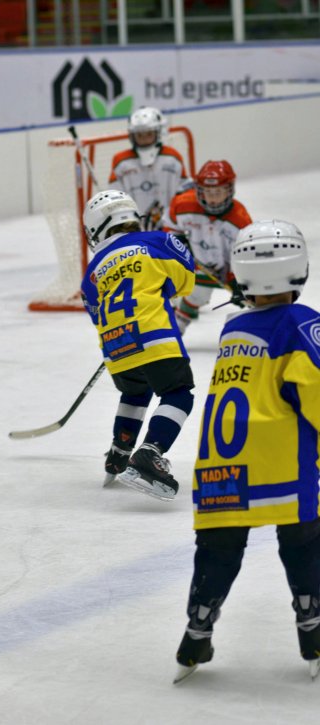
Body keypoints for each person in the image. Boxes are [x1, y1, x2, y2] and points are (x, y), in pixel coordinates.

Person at [175, 219, 320, 683]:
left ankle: (197, 629)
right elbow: (312, 390)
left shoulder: (232, 329)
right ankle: (312, 625)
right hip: (282, 462)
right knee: (304, 541)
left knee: (218, 549)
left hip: (220, 466)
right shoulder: (302, 322)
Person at [81, 189, 196, 501]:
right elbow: (186, 280)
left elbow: (96, 314)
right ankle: (150, 452)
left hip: (115, 345)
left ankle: (119, 453)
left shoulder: (91, 272)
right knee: (178, 394)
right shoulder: (156, 241)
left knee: (135, 392)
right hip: (155, 335)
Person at [163, 159, 252, 335]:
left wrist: (237, 280)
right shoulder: (183, 204)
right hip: (200, 263)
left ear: (229, 190)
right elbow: (171, 224)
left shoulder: (240, 219)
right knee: (197, 294)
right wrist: (178, 243)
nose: (212, 198)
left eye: (218, 192)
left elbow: (245, 254)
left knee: (253, 299)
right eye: (207, 192)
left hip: (230, 270)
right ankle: (177, 326)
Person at [108, 106, 193, 230]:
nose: (144, 139)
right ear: (132, 136)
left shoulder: (172, 157)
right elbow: (115, 196)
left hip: (169, 229)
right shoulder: (121, 162)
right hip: (135, 230)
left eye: (149, 134)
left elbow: (184, 190)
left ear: (158, 133)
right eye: (139, 135)